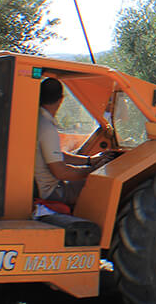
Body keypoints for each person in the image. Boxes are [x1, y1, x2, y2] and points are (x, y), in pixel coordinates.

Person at [35, 77, 107, 207]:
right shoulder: (47, 128)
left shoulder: (38, 121)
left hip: (43, 187)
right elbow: (60, 172)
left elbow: (55, 156)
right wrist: (93, 171)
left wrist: (89, 160)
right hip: (53, 193)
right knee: (104, 187)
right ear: (61, 99)